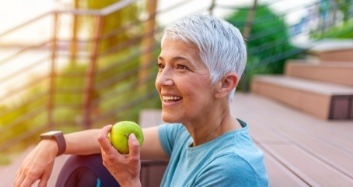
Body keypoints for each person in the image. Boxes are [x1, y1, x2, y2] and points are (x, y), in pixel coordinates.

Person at [14, 14, 268, 187]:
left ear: (225, 83)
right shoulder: (188, 132)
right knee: (85, 162)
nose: (162, 80)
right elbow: (106, 138)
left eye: (181, 67)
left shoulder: (232, 170)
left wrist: (129, 180)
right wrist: (53, 143)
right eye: (161, 65)